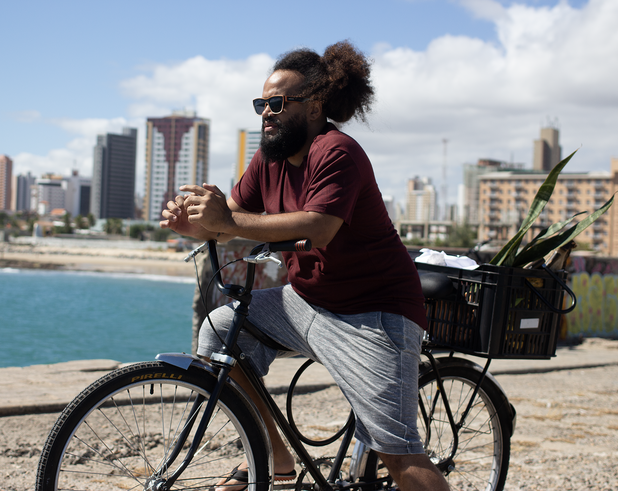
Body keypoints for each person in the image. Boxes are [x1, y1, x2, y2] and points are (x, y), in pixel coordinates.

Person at [160, 40, 450, 491]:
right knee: (219, 330)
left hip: (374, 315)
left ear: (314, 106)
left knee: (398, 453)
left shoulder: (337, 153)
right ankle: (276, 458)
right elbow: (229, 222)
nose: (265, 114)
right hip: (306, 303)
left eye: (276, 103)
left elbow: (318, 227)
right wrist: (195, 226)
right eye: (261, 104)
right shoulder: (268, 160)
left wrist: (225, 220)